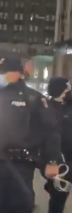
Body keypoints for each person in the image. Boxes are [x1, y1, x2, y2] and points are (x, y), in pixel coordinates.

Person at [0, 57, 62, 213]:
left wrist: (53, 160)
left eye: (5, 71)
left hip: (23, 163)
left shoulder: (34, 98)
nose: (1, 75)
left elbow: (50, 131)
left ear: (19, 73)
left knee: (21, 205)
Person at [43, 77, 72, 213]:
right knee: (59, 193)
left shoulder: (69, 106)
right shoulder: (46, 108)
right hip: (60, 158)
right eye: (67, 87)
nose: (69, 89)